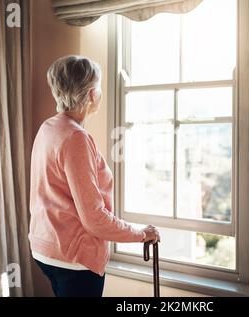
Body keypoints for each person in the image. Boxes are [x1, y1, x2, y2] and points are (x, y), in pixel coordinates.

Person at [28, 55, 160, 297]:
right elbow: (94, 218)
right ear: (90, 94)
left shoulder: (49, 127)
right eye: (98, 87)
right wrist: (141, 233)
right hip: (74, 259)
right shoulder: (76, 138)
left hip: (44, 248)